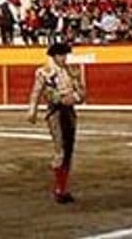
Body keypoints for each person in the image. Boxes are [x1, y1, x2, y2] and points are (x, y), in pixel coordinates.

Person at [28, 41, 86, 204]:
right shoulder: (44, 72)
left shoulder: (71, 72)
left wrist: (74, 98)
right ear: (54, 56)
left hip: (69, 112)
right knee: (60, 150)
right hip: (55, 113)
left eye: (65, 55)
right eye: (61, 55)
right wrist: (32, 109)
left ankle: (63, 188)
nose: (64, 58)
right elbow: (37, 91)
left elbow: (82, 94)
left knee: (68, 150)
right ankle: (59, 189)